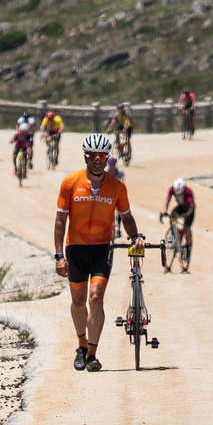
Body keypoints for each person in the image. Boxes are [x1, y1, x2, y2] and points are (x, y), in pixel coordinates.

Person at [54, 131, 144, 373]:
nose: (97, 159)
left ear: (107, 158)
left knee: (95, 298)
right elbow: (60, 221)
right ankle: (81, 346)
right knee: (78, 302)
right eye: (93, 155)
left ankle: (92, 354)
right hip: (75, 249)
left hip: (102, 249)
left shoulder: (117, 186)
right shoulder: (70, 183)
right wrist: (59, 255)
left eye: (101, 155)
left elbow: (127, 217)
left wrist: (135, 237)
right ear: (86, 157)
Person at [161, 176, 196, 259]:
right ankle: (174, 234)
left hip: (189, 209)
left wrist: (187, 214)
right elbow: (167, 200)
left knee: (186, 228)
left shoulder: (188, 191)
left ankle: (188, 247)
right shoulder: (172, 189)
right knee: (172, 216)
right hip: (181, 207)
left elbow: (191, 206)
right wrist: (164, 211)